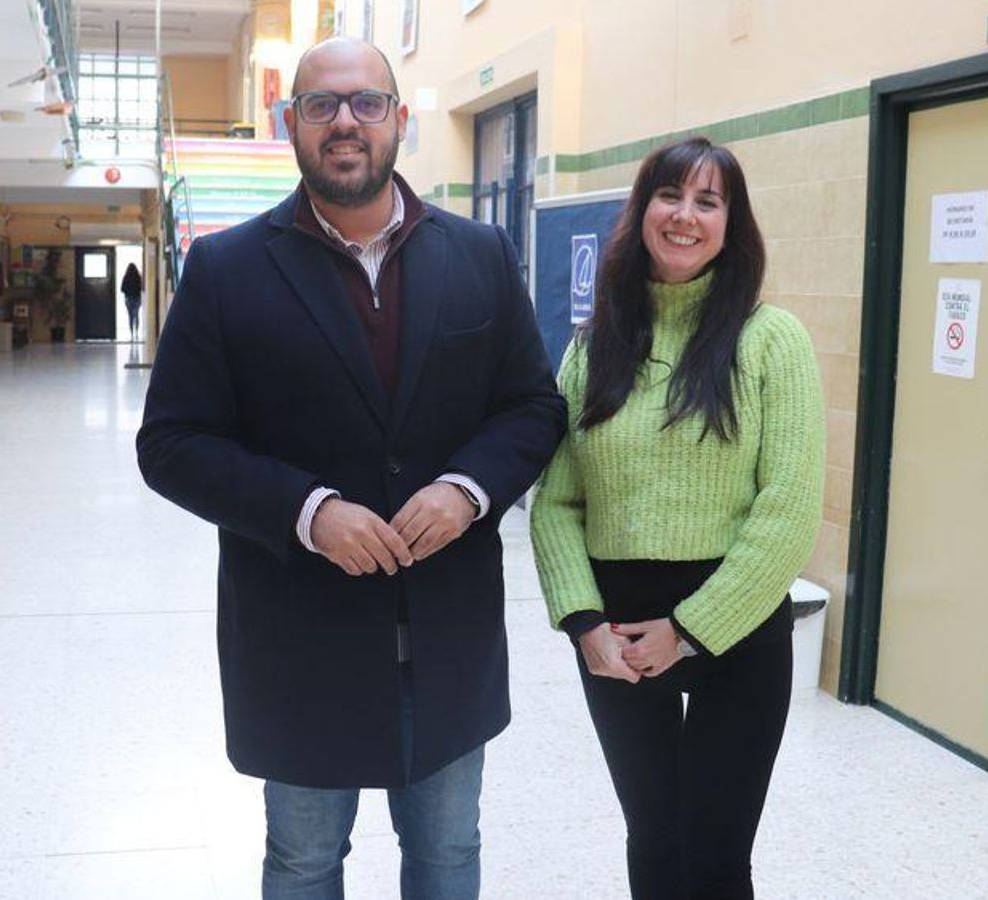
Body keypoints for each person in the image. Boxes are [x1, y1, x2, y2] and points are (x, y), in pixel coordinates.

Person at [136, 37, 565, 900]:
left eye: (367, 103)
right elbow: (172, 442)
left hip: (445, 632)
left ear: (399, 120)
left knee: (447, 855)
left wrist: (467, 490)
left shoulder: (479, 254)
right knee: (304, 861)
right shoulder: (226, 269)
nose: (345, 122)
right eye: (320, 104)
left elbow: (532, 407)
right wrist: (307, 511)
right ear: (288, 122)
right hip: (301, 636)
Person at [529, 137, 824, 900]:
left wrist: (689, 630)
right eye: (670, 195)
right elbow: (557, 499)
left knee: (715, 857)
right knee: (655, 843)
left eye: (708, 201)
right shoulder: (595, 346)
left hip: (737, 633)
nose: (685, 215)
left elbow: (789, 510)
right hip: (616, 640)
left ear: (731, 224)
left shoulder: (772, 341)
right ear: (642, 211)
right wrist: (583, 622)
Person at [121, 260, 143, 368]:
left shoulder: (126, 277)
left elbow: (122, 289)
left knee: (130, 317)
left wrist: (128, 292)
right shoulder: (138, 277)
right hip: (137, 299)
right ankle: (137, 333)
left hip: (128, 299)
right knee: (136, 316)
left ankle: (131, 334)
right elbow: (141, 288)